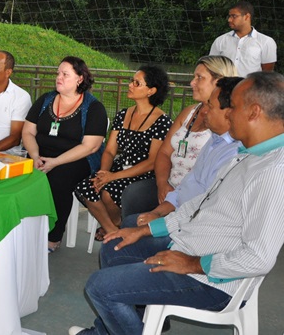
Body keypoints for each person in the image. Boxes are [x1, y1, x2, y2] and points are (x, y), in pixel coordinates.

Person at [69, 72, 284, 335]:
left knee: (99, 287)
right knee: (115, 247)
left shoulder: (273, 171)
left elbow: (258, 258)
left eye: (234, 108)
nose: (227, 115)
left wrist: (191, 263)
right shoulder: (246, 154)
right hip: (188, 247)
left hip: (212, 280)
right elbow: (199, 206)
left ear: (254, 112)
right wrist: (145, 230)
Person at [120, 56, 237, 218]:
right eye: (194, 77)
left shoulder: (226, 122)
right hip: (168, 184)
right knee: (133, 195)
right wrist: (162, 185)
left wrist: (177, 195)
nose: (192, 83)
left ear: (219, 81)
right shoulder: (189, 112)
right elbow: (164, 152)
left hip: (195, 194)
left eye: (199, 78)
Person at [74, 65, 172, 240]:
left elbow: (152, 162)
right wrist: (103, 173)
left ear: (151, 91)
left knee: (108, 192)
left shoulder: (162, 121)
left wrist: (112, 177)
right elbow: (110, 150)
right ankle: (113, 229)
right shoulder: (123, 115)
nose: (130, 85)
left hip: (143, 173)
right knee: (85, 187)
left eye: (137, 83)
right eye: (131, 81)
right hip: (119, 168)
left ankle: (115, 223)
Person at [22, 57, 109, 252]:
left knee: (58, 179)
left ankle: (53, 236)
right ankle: (26, 231)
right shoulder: (46, 99)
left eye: (65, 74)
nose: (58, 77)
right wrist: (35, 155)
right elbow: (27, 132)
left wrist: (56, 162)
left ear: (80, 78)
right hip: (41, 155)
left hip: (76, 159)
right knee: (24, 176)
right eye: (58, 73)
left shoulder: (94, 108)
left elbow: (90, 147)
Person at [209, 1, 276, 77]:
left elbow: (267, 74)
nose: (229, 20)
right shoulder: (220, 41)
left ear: (247, 17)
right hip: (225, 87)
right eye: (229, 16)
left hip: (252, 88)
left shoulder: (266, 42)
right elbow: (212, 68)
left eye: (234, 16)